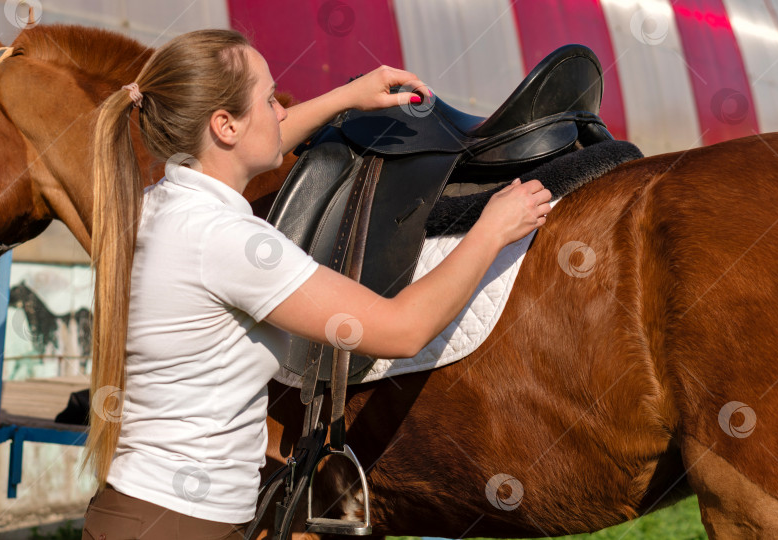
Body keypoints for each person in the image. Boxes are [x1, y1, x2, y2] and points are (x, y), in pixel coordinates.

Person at [81, 28, 551, 539]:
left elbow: (261, 139)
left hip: (139, 511)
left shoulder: (156, 203)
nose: (282, 111)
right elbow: (402, 329)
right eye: (268, 99)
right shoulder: (229, 242)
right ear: (224, 125)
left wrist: (349, 97)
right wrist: (490, 230)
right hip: (183, 526)